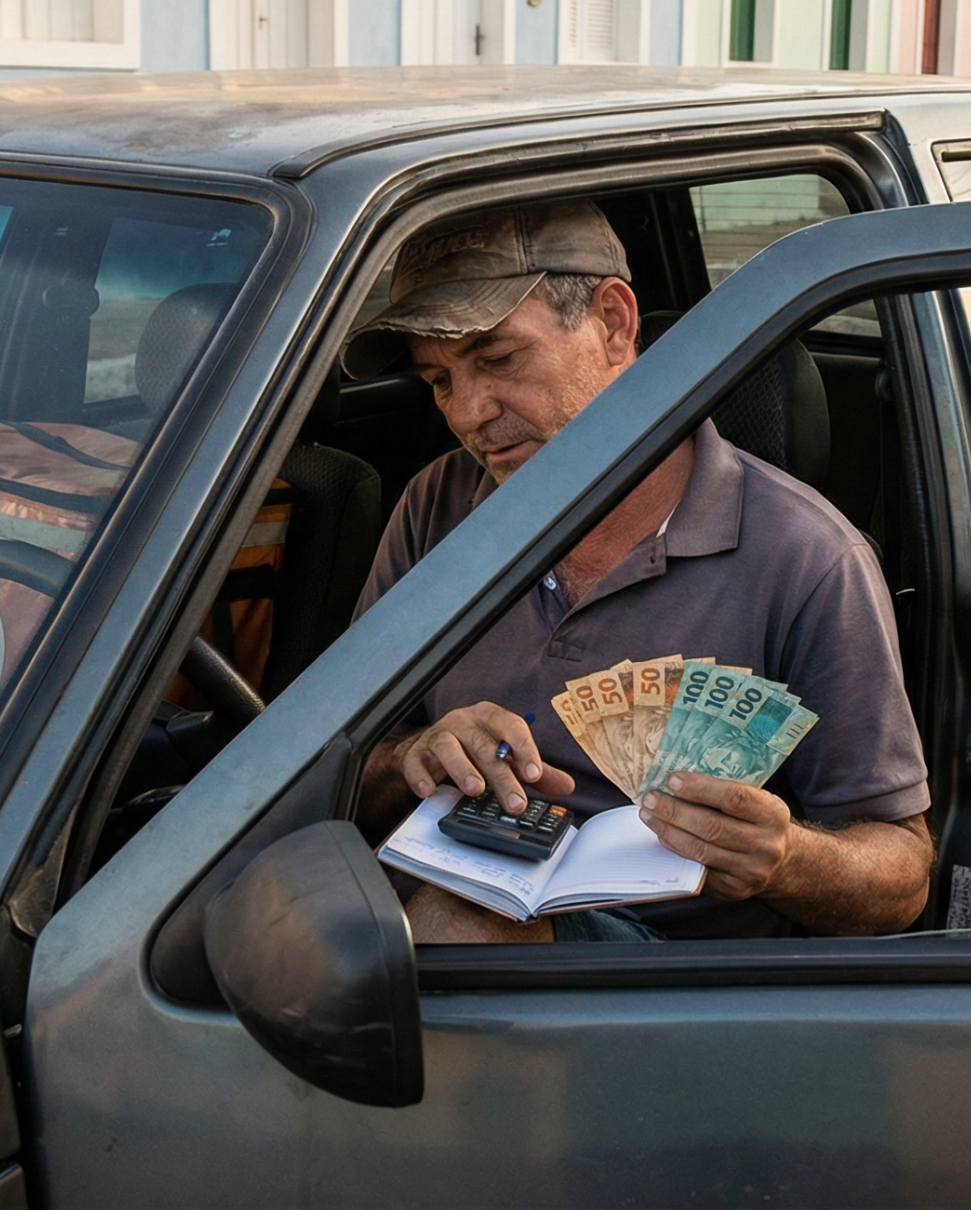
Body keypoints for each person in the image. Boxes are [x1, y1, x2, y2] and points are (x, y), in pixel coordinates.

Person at [344, 200, 932, 942]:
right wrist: (412, 757)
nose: (468, 413)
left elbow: (903, 875)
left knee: (457, 929)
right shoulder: (437, 504)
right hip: (419, 903)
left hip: (649, 976)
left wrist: (784, 858)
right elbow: (333, 771)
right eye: (437, 380)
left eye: (497, 360)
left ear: (615, 324)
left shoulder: (808, 557)